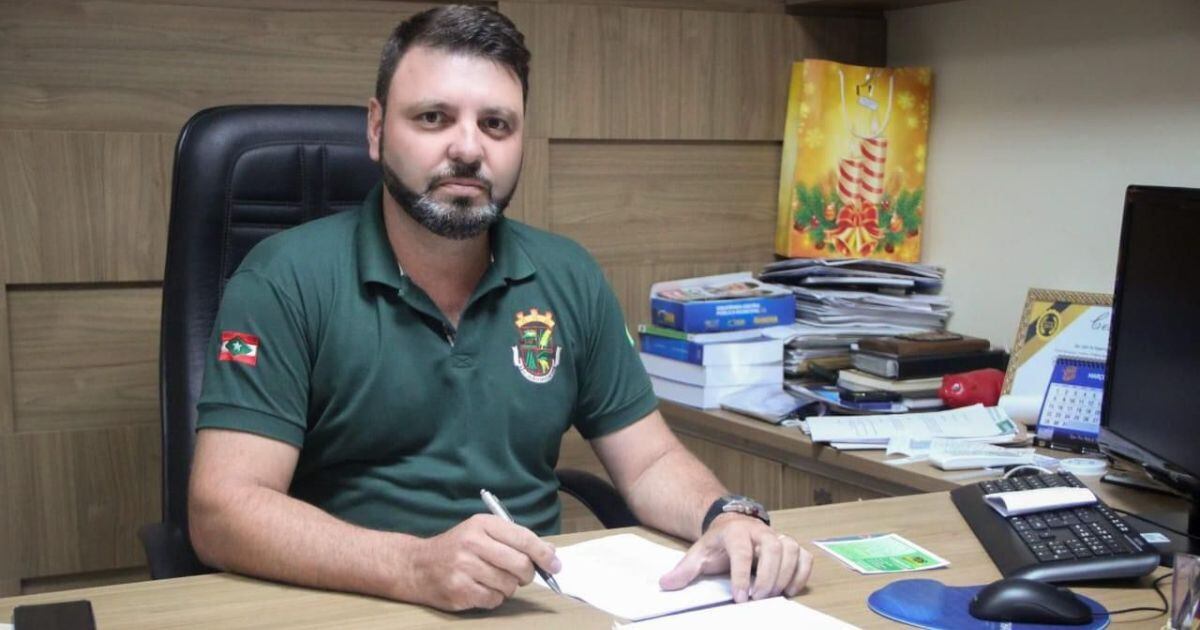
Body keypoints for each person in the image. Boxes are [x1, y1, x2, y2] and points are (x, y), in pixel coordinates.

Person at [187, 5, 813, 613]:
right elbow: (223, 510)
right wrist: (414, 567)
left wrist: (726, 516)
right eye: (433, 118)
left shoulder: (568, 275)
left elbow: (650, 463)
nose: (468, 148)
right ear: (376, 130)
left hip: (532, 606)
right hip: (354, 605)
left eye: (496, 124)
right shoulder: (283, 280)